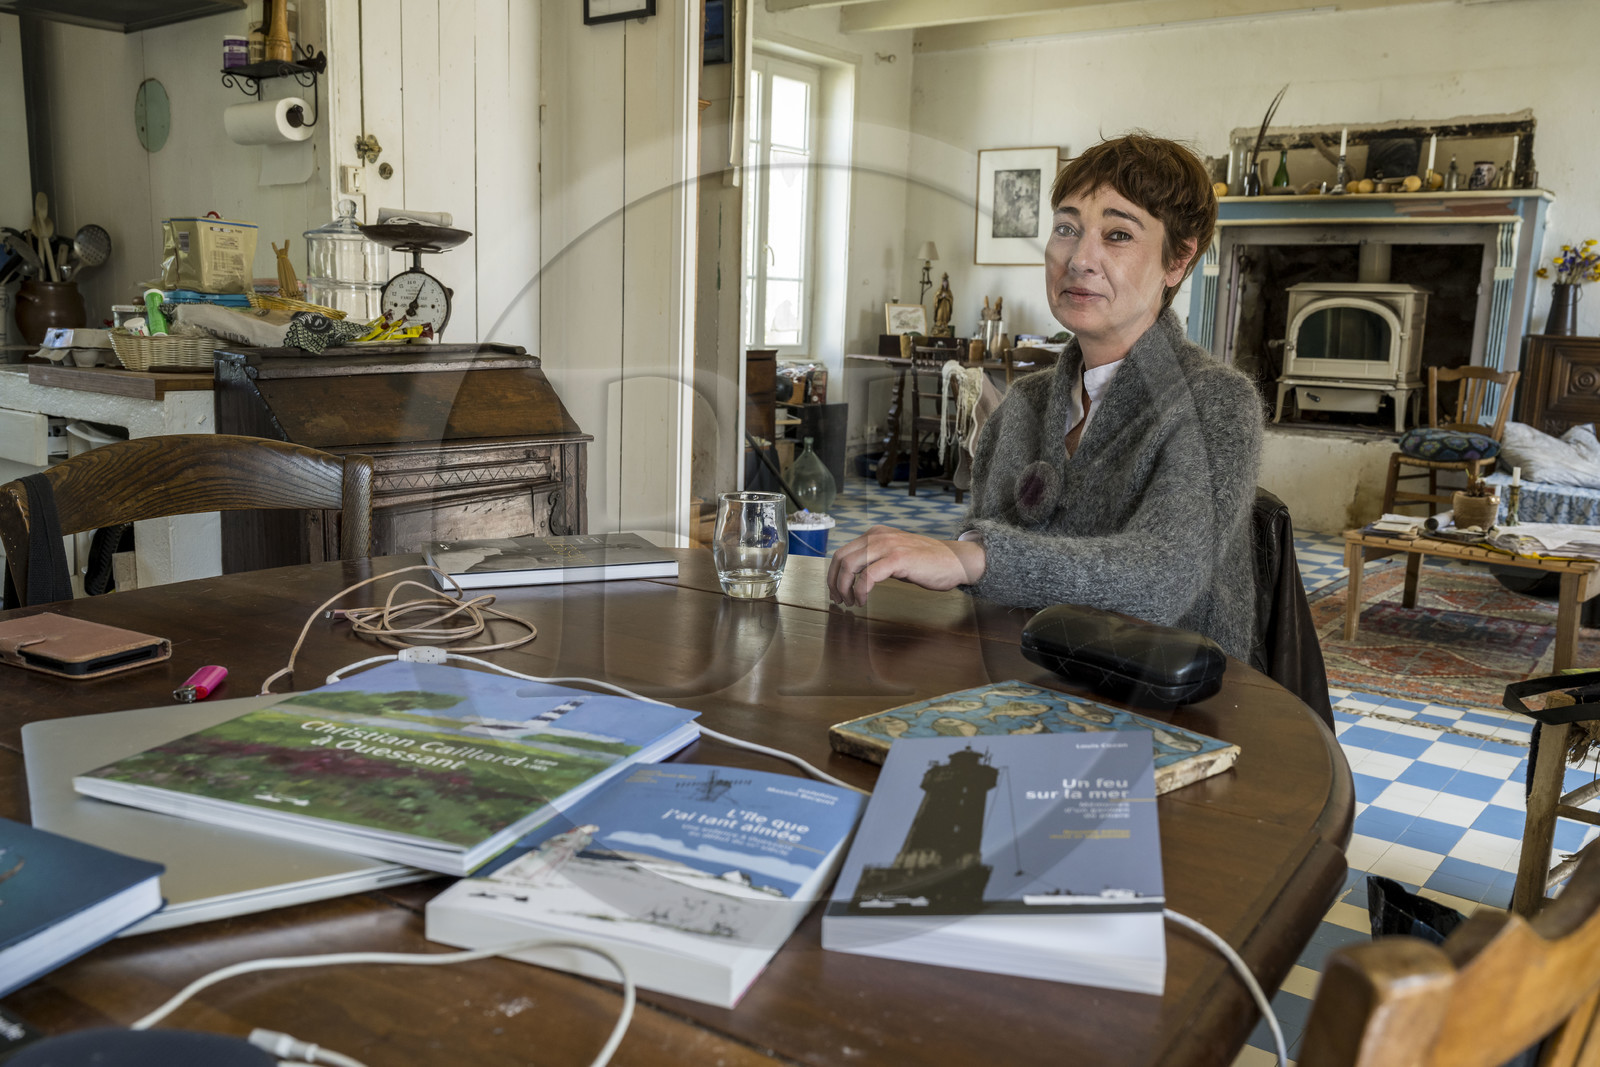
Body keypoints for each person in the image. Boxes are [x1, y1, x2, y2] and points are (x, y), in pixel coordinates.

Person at [827, 132, 1264, 661]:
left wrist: (971, 558)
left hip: (1169, 693)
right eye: (1066, 229)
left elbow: (1162, 578)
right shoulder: (1023, 405)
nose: (1080, 259)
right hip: (1024, 676)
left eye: (1118, 234)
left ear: (1179, 260)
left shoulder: (1216, 402)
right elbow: (993, 597)